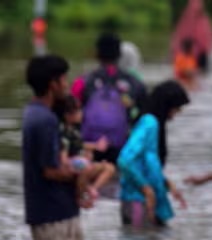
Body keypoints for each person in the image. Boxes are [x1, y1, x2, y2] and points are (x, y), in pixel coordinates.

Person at [22, 54, 85, 240]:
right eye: (64, 79)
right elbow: (50, 171)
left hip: (44, 211)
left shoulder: (32, 113)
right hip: (55, 213)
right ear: (53, 84)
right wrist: (82, 175)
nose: (67, 85)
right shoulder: (46, 120)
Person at [117, 81, 190, 228]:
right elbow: (125, 160)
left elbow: (146, 162)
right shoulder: (150, 123)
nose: (175, 115)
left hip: (144, 200)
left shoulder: (151, 123)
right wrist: (146, 189)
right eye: (176, 109)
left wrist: (166, 183)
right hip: (138, 200)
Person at [76, 32, 148, 164]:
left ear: (96, 53)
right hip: (123, 148)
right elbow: (144, 118)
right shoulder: (136, 83)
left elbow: (71, 112)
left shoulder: (83, 82)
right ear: (120, 55)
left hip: (90, 148)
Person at [53, 95, 116, 207]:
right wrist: (81, 158)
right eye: (78, 111)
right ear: (68, 115)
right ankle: (80, 196)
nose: (82, 113)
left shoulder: (74, 130)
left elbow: (80, 145)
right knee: (85, 165)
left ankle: (92, 190)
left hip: (80, 162)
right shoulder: (64, 132)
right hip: (71, 164)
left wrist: (96, 146)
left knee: (110, 168)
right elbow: (63, 157)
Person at [171, 0, 212, 72]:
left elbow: (208, 40)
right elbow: (179, 38)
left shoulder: (204, 21)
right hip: (188, 55)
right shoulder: (186, 19)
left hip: (200, 55)